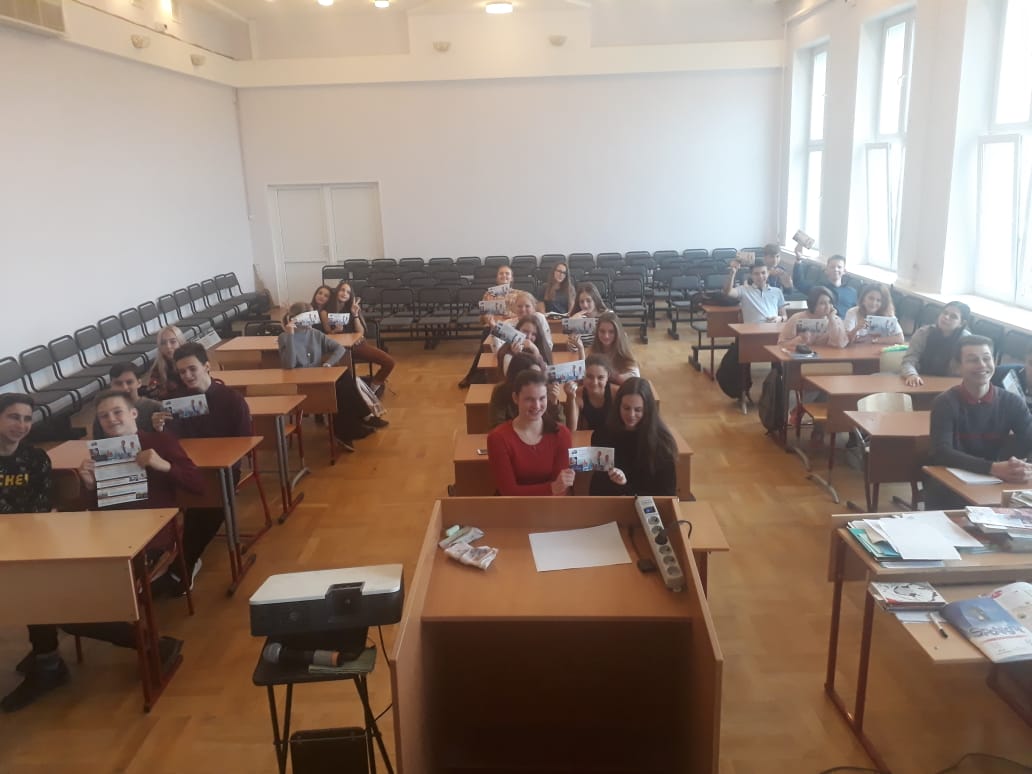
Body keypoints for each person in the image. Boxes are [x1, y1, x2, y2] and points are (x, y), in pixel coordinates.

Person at [0, 391, 196, 712]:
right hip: (105, 537)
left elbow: (197, 484)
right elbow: (95, 509)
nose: (111, 419)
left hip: (151, 538)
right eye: (104, 415)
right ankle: (46, 654)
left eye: (117, 412)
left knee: (64, 606)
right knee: (41, 587)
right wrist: (90, 486)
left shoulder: (158, 442)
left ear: (133, 413)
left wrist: (162, 464)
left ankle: (154, 644)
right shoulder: (102, 453)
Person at [153, 341, 252, 578]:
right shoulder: (177, 401)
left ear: (207, 367)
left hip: (222, 470)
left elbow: (245, 442)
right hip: (188, 468)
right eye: (182, 372)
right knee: (171, 497)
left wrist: (219, 457)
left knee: (210, 503)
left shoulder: (231, 399)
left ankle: (181, 568)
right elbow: (172, 442)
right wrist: (160, 429)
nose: (187, 376)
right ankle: (167, 563)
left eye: (192, 369)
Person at [925, 336, 1032, 508]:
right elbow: (942, 452)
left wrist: (1021, 466)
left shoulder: (1012, 402)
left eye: (986, 358)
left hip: (997, 481)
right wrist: (992, 467)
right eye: (973, 360)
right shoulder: (945, 403)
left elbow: (1028, 440)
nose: (982, 365)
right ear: (958, 366)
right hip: (949, 481)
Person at [279, 301, 386, 445]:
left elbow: (339, 349)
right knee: (340, 389)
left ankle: (355, 422)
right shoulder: (284, 337)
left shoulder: (315, 334)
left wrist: (328, 363)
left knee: (345, 376)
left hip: (319, 377)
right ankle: (355, 423)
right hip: (300, 382)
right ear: (295, 318)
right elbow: (289, 365)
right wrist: (291, 336)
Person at [486, 370, 574, 496]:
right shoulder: (498, 438)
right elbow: (508, 492)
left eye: (542, 398)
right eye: (529, 399)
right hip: (513, 506)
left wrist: (555, 488)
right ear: (515, 398)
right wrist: (551, 488)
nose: (537, 406)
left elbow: (561, 488)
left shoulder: (562, 434)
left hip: (552, 505)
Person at [588, 378, 677, 497]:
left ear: (647, 410)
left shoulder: (662, 443)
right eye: (626, 408)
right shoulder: (603, 434)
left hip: (647, 504)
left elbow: (667, 493)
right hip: (611, 502)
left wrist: (626, 487)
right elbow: (598, 485)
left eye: (638, 410)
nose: (631, 415)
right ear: (618, 406)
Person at [326, 282, 395, 396]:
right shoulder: (328, 311)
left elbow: (360, 332)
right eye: (342, 290)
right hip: (339, 349)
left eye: (348, 292)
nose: (344, 293)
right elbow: (327, 334)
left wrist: (355, 314)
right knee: (344, 376)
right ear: (337, 291)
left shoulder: (352, 309)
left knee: (389, 362)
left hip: (357, 345)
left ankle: (372, 388)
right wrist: (336, 330)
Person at [458, 265, 520, 389]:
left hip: (511, 327)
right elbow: (483, 317)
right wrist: (488, 319)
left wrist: (504, 317)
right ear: (497, 278)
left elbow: (522, 314)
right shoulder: (489, 294)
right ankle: (478, 376)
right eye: (501, 273)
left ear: (512, 278)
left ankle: (474, 376)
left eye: (507, 273)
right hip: (491, 327)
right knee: (486, 337)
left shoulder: (519, 294)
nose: (504, 276)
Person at [488, 353, 571, 429]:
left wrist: (554, 403)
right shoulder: (502, 390)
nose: (537, 380)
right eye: (533, 376)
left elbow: (560, 429)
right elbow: (497, 426)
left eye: (539, 375)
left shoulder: (544, 389)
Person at [901, 301, 972, 387]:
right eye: (945, 313)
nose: (946, 317)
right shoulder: (923, 333)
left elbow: (969, 369)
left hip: (950, 385)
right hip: (921, 380)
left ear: (962, 323)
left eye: (953, 316)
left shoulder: (966, 341)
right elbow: (909, 360)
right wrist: (911, 374)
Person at [92, 363, 162, 440]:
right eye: (118, 384)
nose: (124, 388)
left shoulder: (155, 407)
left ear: (139, 383)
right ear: (111, 385)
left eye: (129, 382)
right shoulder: (104, 414)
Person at [778, 286, 848, 348]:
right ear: (812, 304)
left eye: (830, 302)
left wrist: (832, 320)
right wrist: (799, 340)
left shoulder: (836, 319)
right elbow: (781, 345)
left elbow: (840, 344)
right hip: (802, 356)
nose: (827, 307)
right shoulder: (797, 318)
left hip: (828, 357)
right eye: (822, 303)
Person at [723, 257, 787, 324]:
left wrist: (780, 318)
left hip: (773, 328)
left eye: (763, 273)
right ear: (751, 275)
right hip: (752, 329)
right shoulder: (744, 290)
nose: (760, 276)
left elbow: (785, 316)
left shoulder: (777, 291)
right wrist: (733, 272)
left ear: (768, 273)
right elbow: (728, 292)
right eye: (756, 274)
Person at [586, 311, 640, 385]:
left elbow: (636, 378)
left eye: (611, 332)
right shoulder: (592, 351)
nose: (606, 336)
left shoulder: (623, 352)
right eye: (602, 331)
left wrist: (615, 377)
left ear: (618, 333)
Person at [567, 354, 616, 431]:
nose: (595, 382)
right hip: (590, 436)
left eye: (600, 377)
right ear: (583, 375)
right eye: (590, 377)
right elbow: (572, 429)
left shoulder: (616, 393)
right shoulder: (577, 394)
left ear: (608, 377)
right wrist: (571, 398)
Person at [145, 324, 188, 399]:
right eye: (163, 343)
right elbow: (153, 394)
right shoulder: (158, 368)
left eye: (173, 342)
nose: (168, 346)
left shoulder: (191, 361)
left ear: (180, 342)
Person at [569, 282, 608, 349]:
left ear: (595, 300)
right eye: (582, 302)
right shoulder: (577, 317)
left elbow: (608, 341)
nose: (585, 305)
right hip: (583, 353)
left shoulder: (607, 316)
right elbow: (573, 348)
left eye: (588, 300)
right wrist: (572, 326)